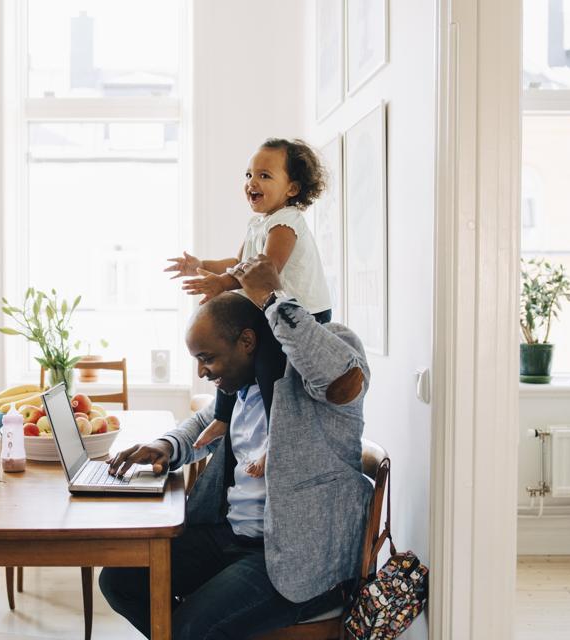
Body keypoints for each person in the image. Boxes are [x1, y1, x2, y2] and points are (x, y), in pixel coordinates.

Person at [100, 254, 371, 639]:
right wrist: (165, 445)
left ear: (247, 342)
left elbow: (340, 378)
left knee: (191, 628)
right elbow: (203, 422)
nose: (202, 372)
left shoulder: (326, 353)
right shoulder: (243, 384)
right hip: (227, 536)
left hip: (292, 559)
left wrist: (271, 296)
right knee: (119, 580)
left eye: (207, 358)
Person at [165, 138, 334, 477]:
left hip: (302, 314)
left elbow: (264, 271)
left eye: (265, 176)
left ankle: (276, 441)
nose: (252, 183)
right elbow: (239, 262)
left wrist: (222, 284)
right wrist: (202, 264)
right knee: (235, 359)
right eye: (248, 174)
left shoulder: (286, 223)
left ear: (293, 188)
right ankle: (222, 419)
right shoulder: (257, 223)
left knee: (269, 367)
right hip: (269, 308)